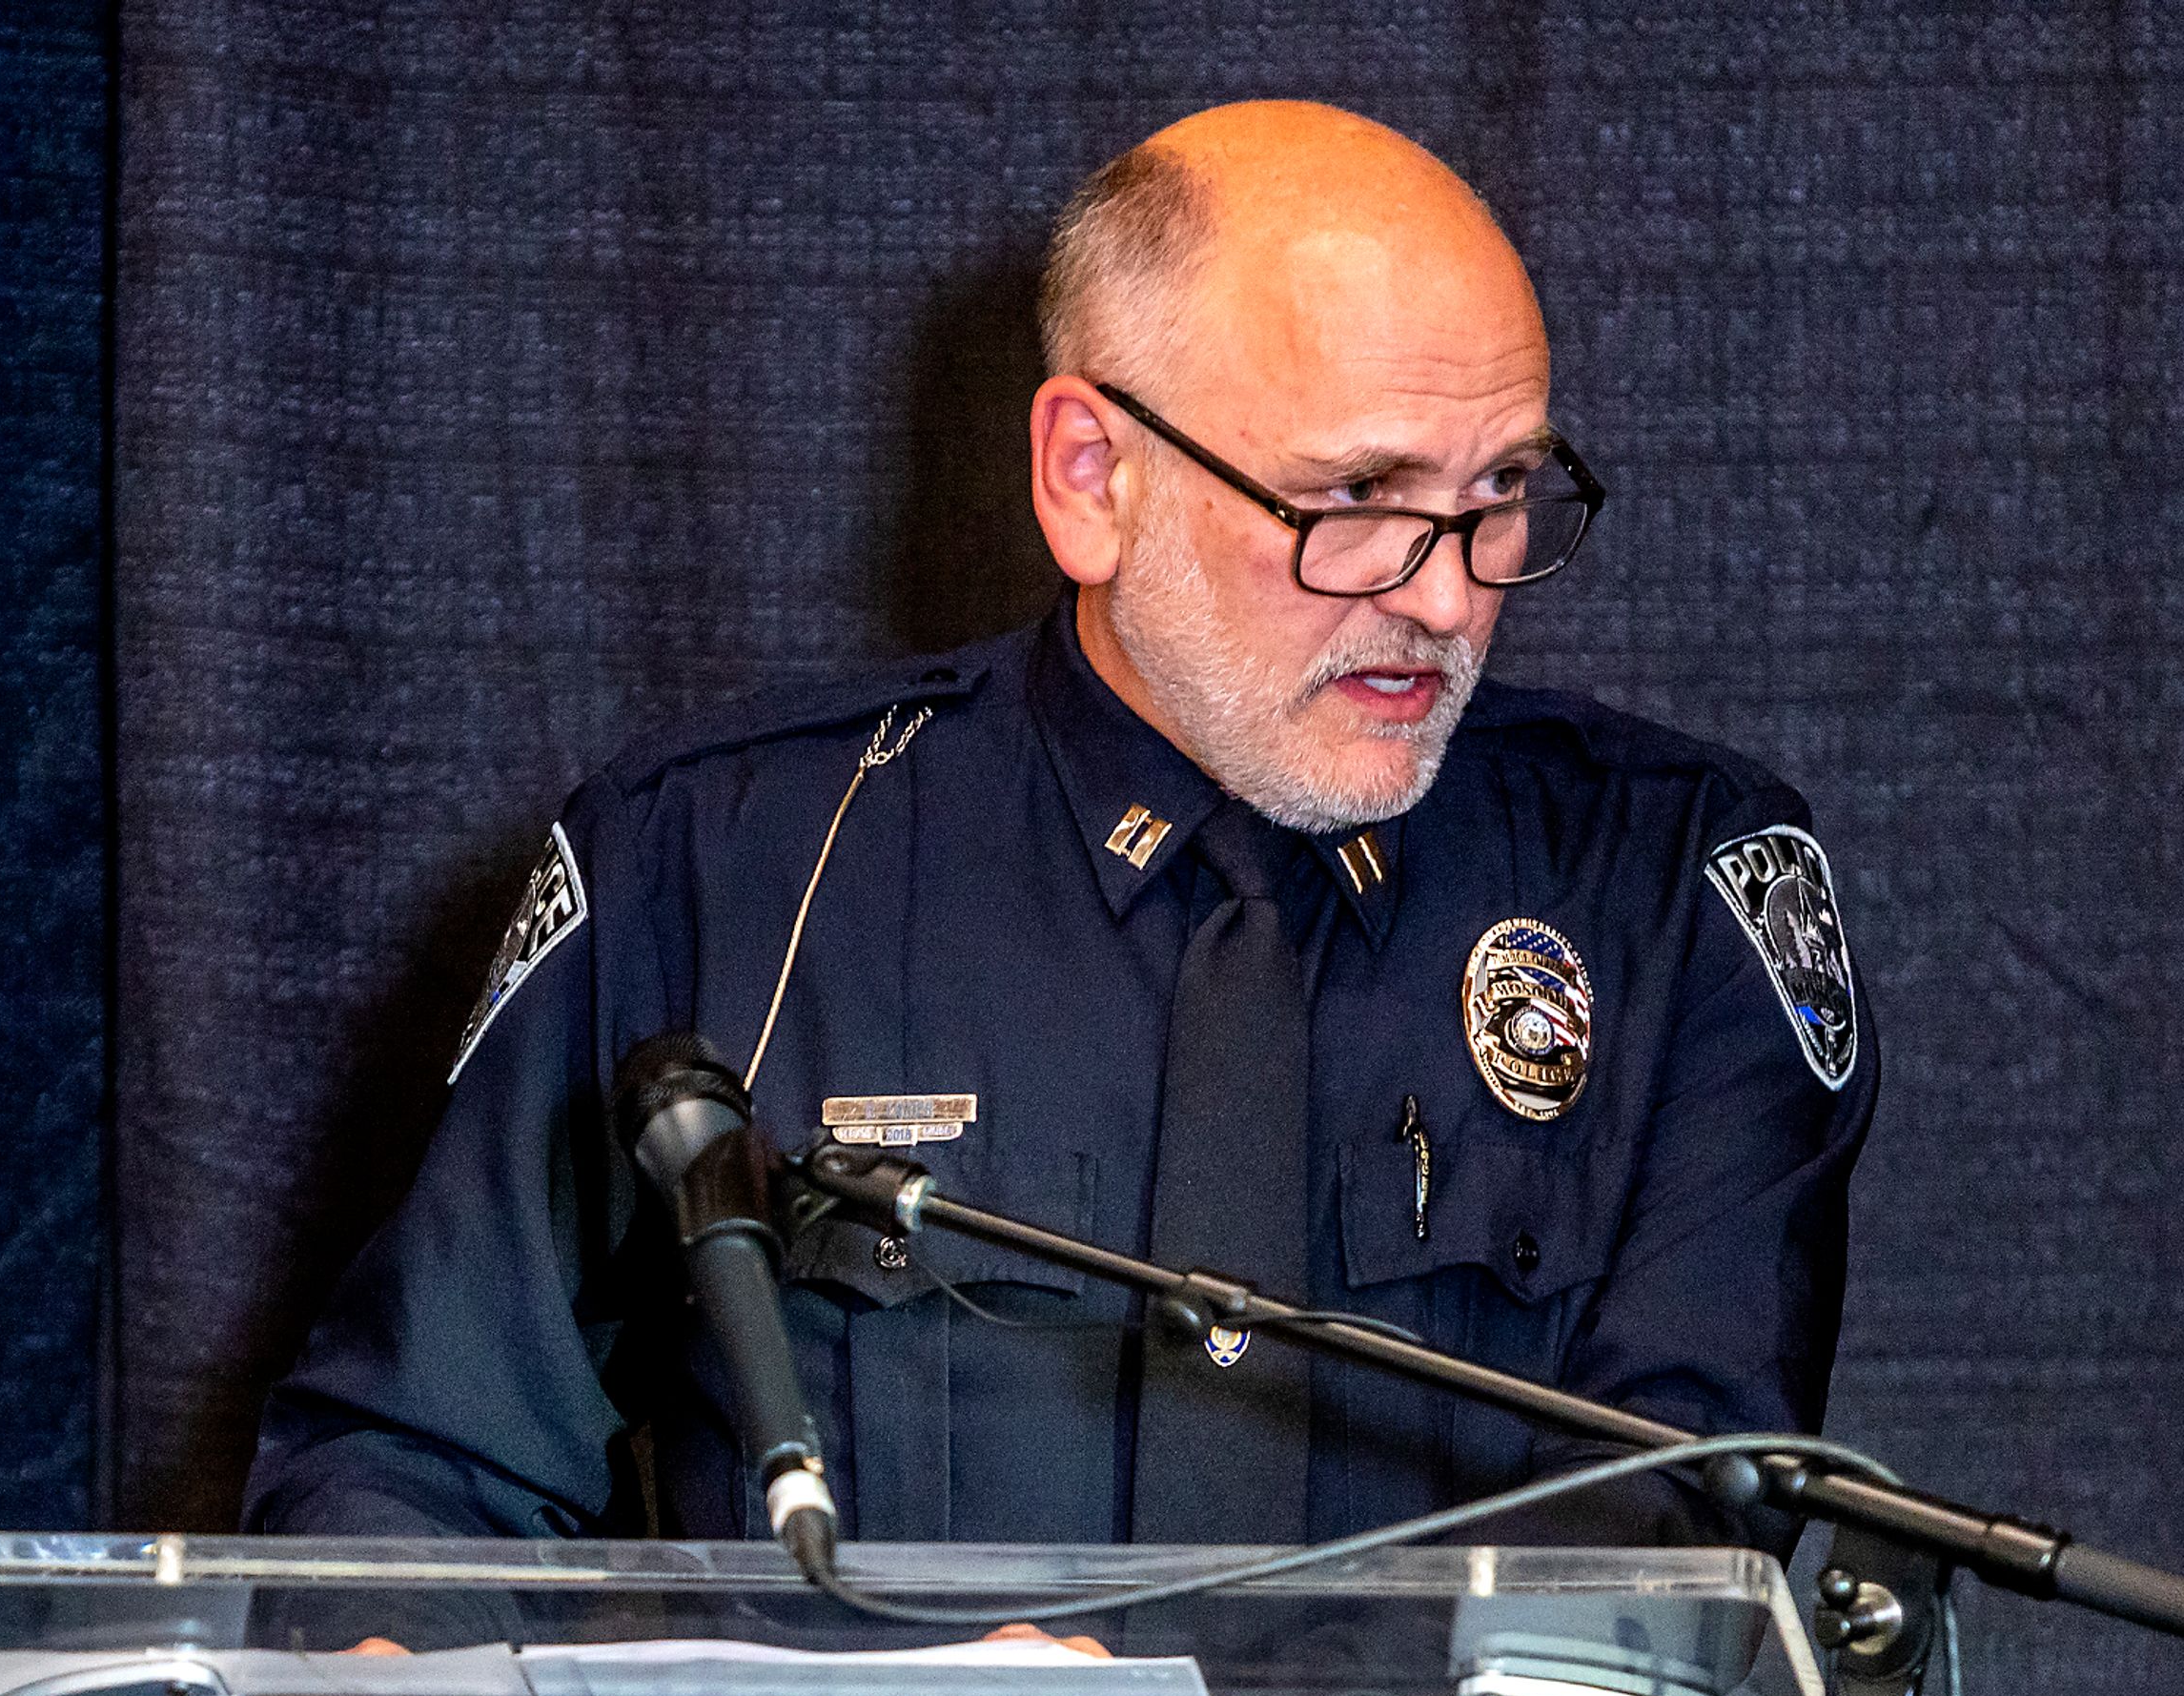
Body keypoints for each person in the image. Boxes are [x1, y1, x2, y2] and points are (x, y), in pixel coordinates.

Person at [245, 100, 1872, 1558]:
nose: (1445, 597)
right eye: (1358, 502)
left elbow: (1672, 1574)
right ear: (1092, 474)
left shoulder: (1676, 891)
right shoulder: (718, 868)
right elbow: (404, 1487)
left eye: (1503, 491)